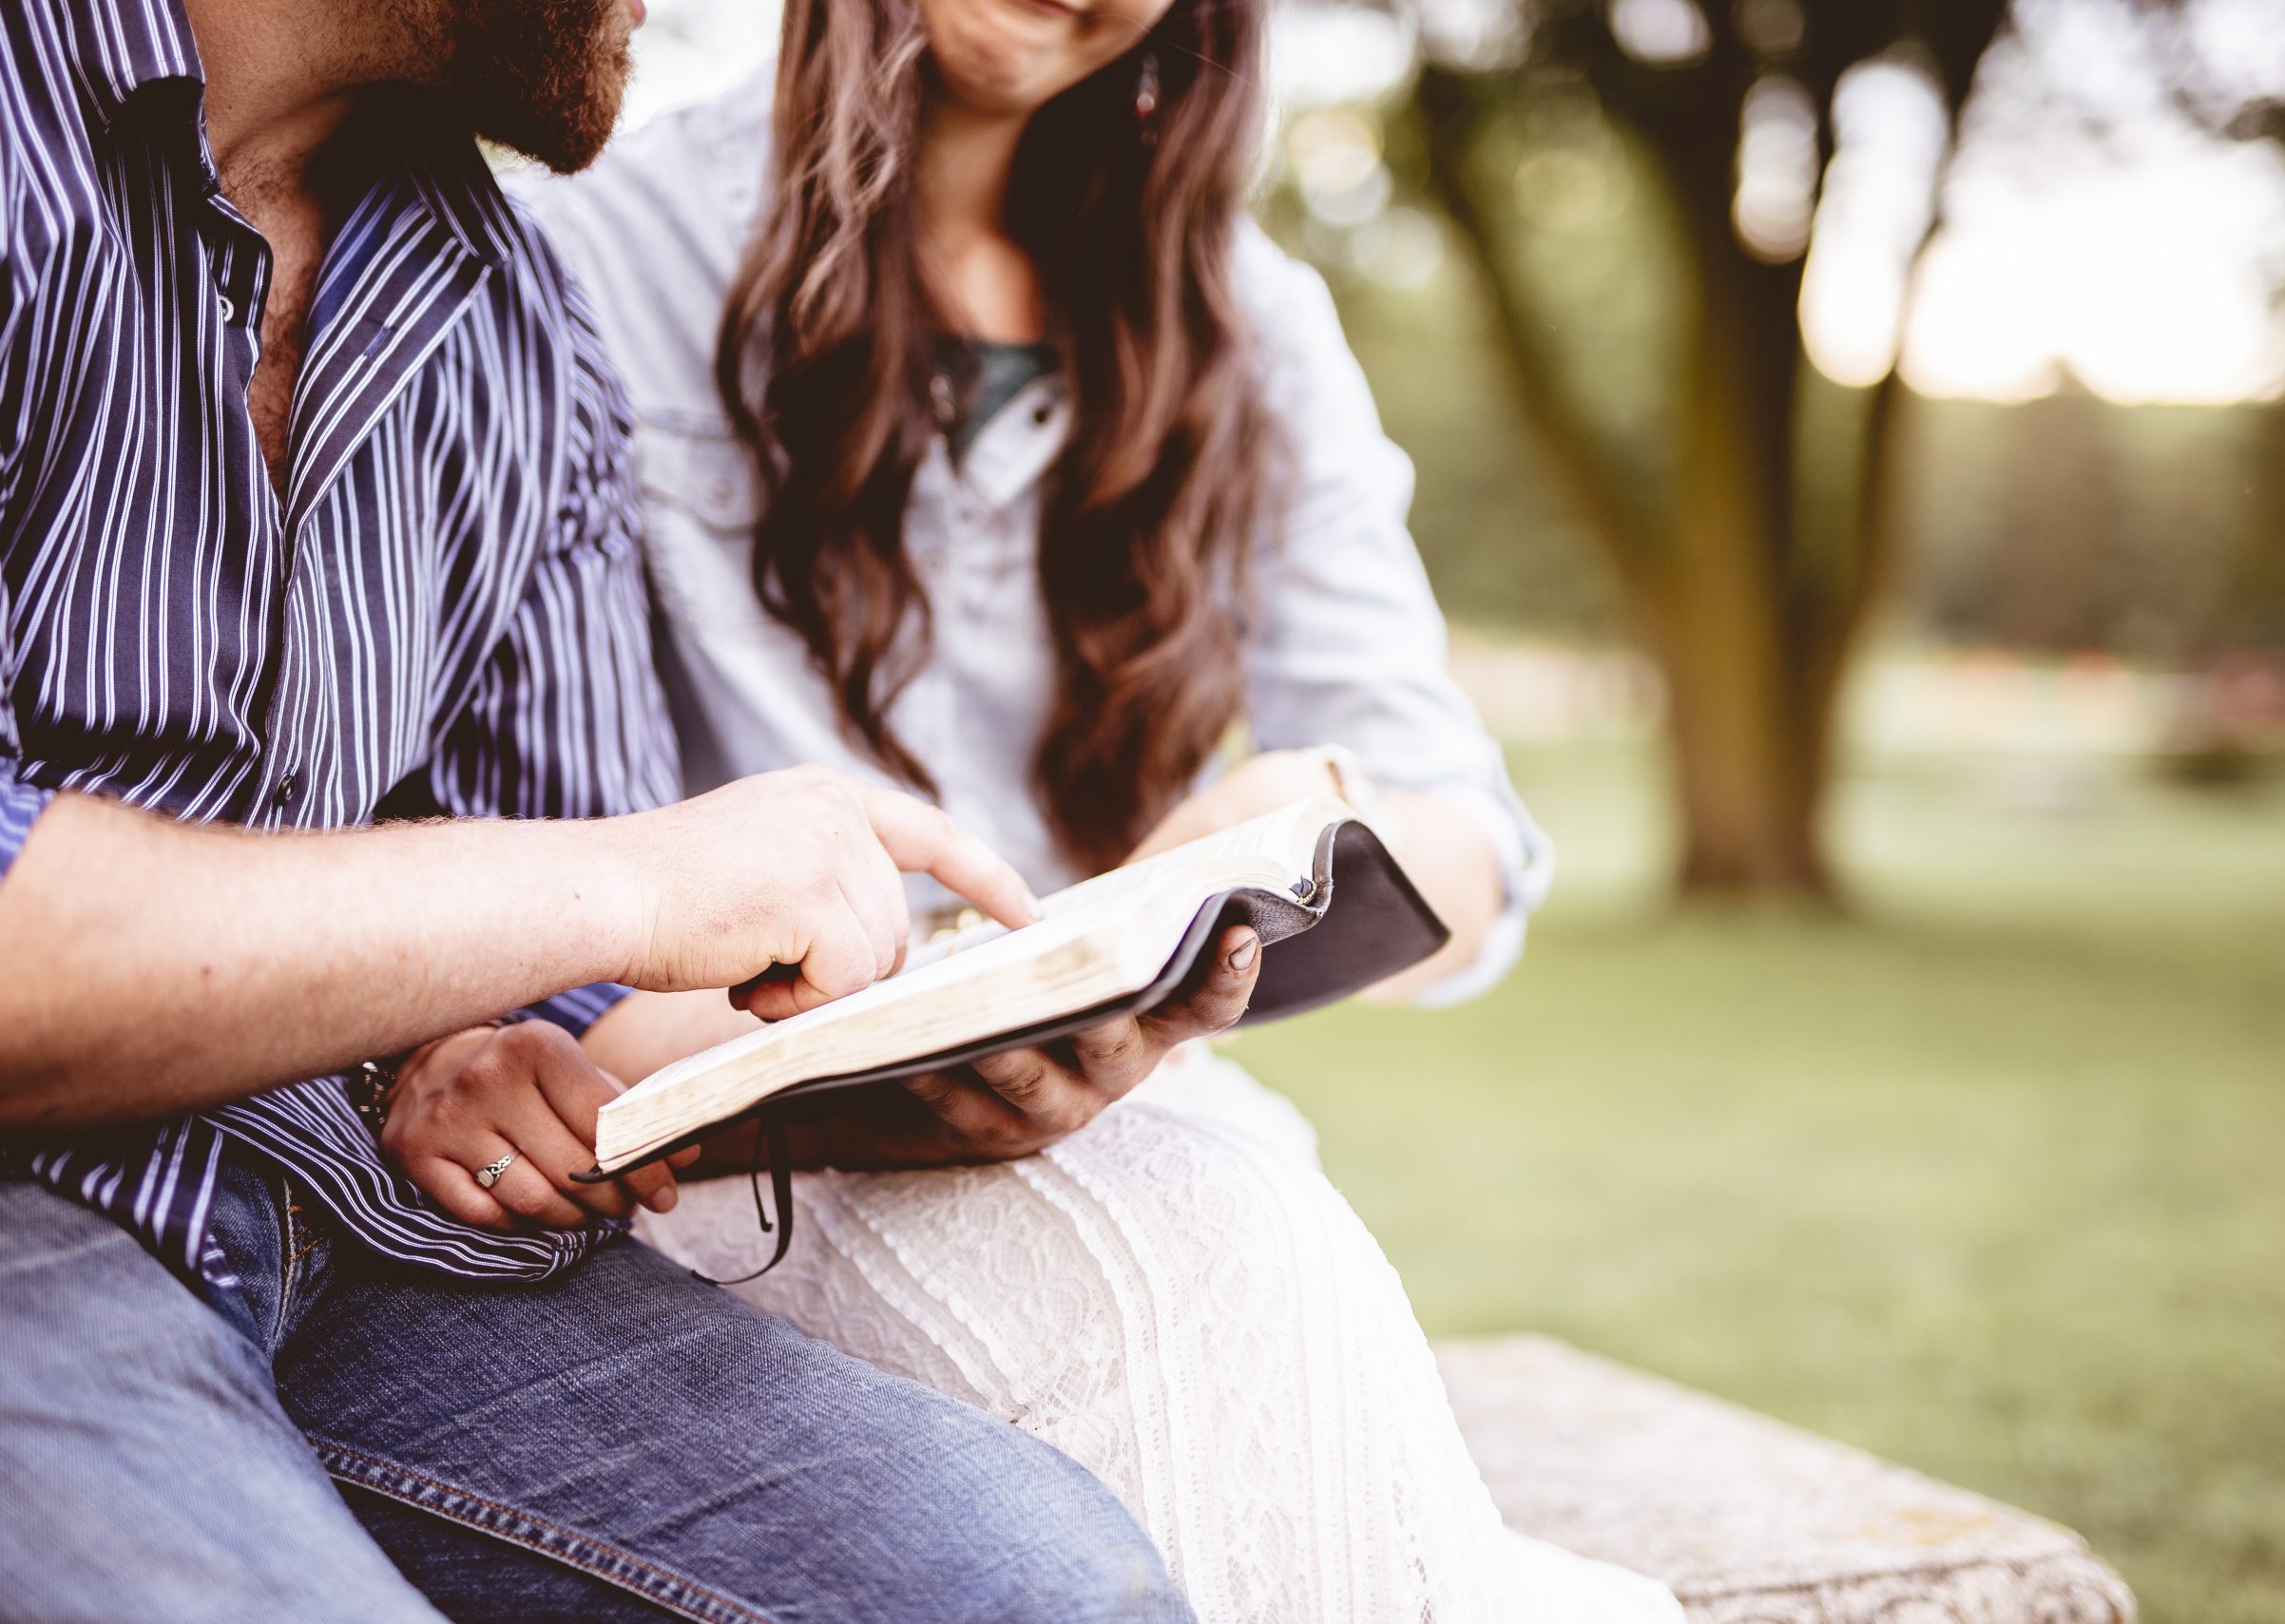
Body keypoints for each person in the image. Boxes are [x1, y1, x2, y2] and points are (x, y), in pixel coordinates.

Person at [0, 0, 1234, 1617]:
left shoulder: (515, 324)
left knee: (1043, 1590)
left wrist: (887, 1067)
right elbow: (595, 890)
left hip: (348, 1220)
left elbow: (570, 998)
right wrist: (620, 883)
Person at [510, 0, 1685, 1616]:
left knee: (1233, 1234)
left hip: (1128, 1110)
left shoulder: (1251, 320)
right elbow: (525, 906)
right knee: (1205, 1295)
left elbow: (1472, 837)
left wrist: (1267, 839)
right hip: (726, 1147)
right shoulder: (586, 246)